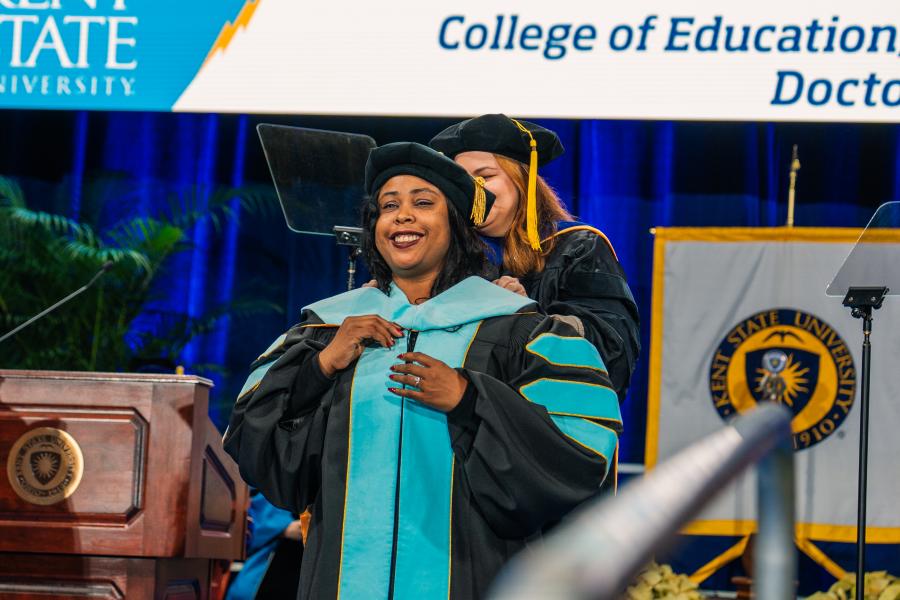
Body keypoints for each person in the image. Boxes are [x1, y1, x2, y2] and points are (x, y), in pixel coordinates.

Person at [223, 142, 622, 600]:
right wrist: (321, 365)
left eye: (423, 203)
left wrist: (470, 399)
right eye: (389, 206)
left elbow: (579, 451)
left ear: (456, 224)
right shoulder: (325, 329)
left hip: (472, 576)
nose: (403, 215)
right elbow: (254, 439)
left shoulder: (521, 331)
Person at [429, 114, 640, 400]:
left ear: (521, 180)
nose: (474, 190)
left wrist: (527, 318)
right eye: (463, 181)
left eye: (486, 176)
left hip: (546, 424)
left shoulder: (577, 248)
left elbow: (612, 351)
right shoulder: (444, 256)